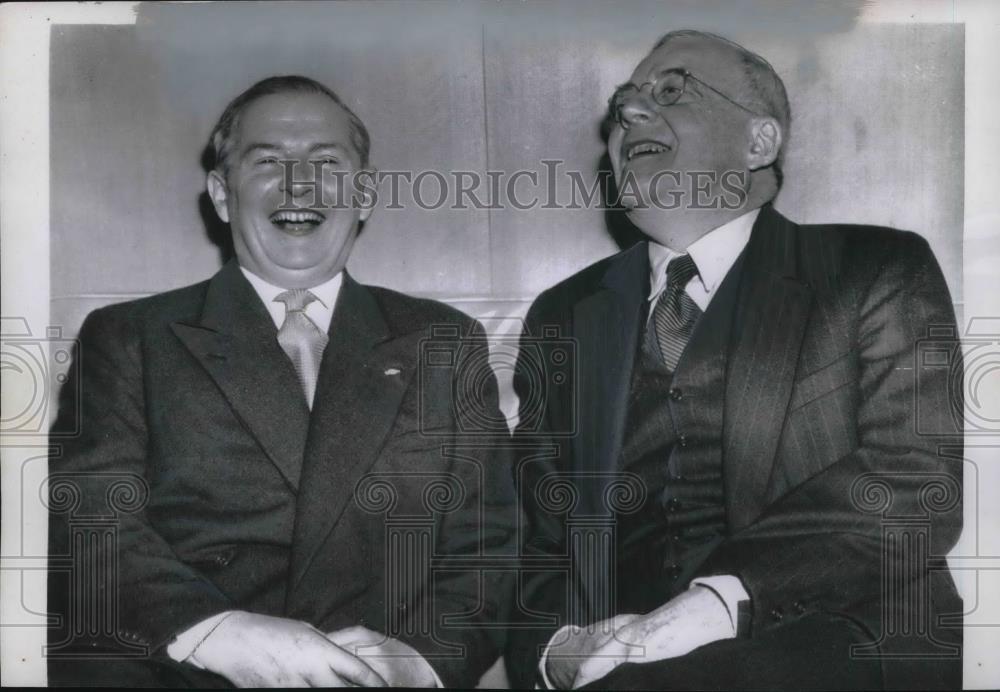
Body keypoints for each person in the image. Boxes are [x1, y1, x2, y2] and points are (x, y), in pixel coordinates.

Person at [506, 30, 963, 690]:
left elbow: (913, 487)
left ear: (759, 143)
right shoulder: (563, 313)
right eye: (624, 101)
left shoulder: (874, 269)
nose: (631, 112)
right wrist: (557, 650)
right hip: (617, 655)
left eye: (670, 92)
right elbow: (534, 532)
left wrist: (720, 601)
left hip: (843, 634)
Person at [47, 75, 514, 688]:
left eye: (326, 161)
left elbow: (491, 547)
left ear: (365, 193)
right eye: (268, 161)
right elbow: (88, 519)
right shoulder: (131, 336)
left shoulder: (443, 341)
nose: (300, 184)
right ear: (221, 193)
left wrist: (418, 661)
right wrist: (216, 631)